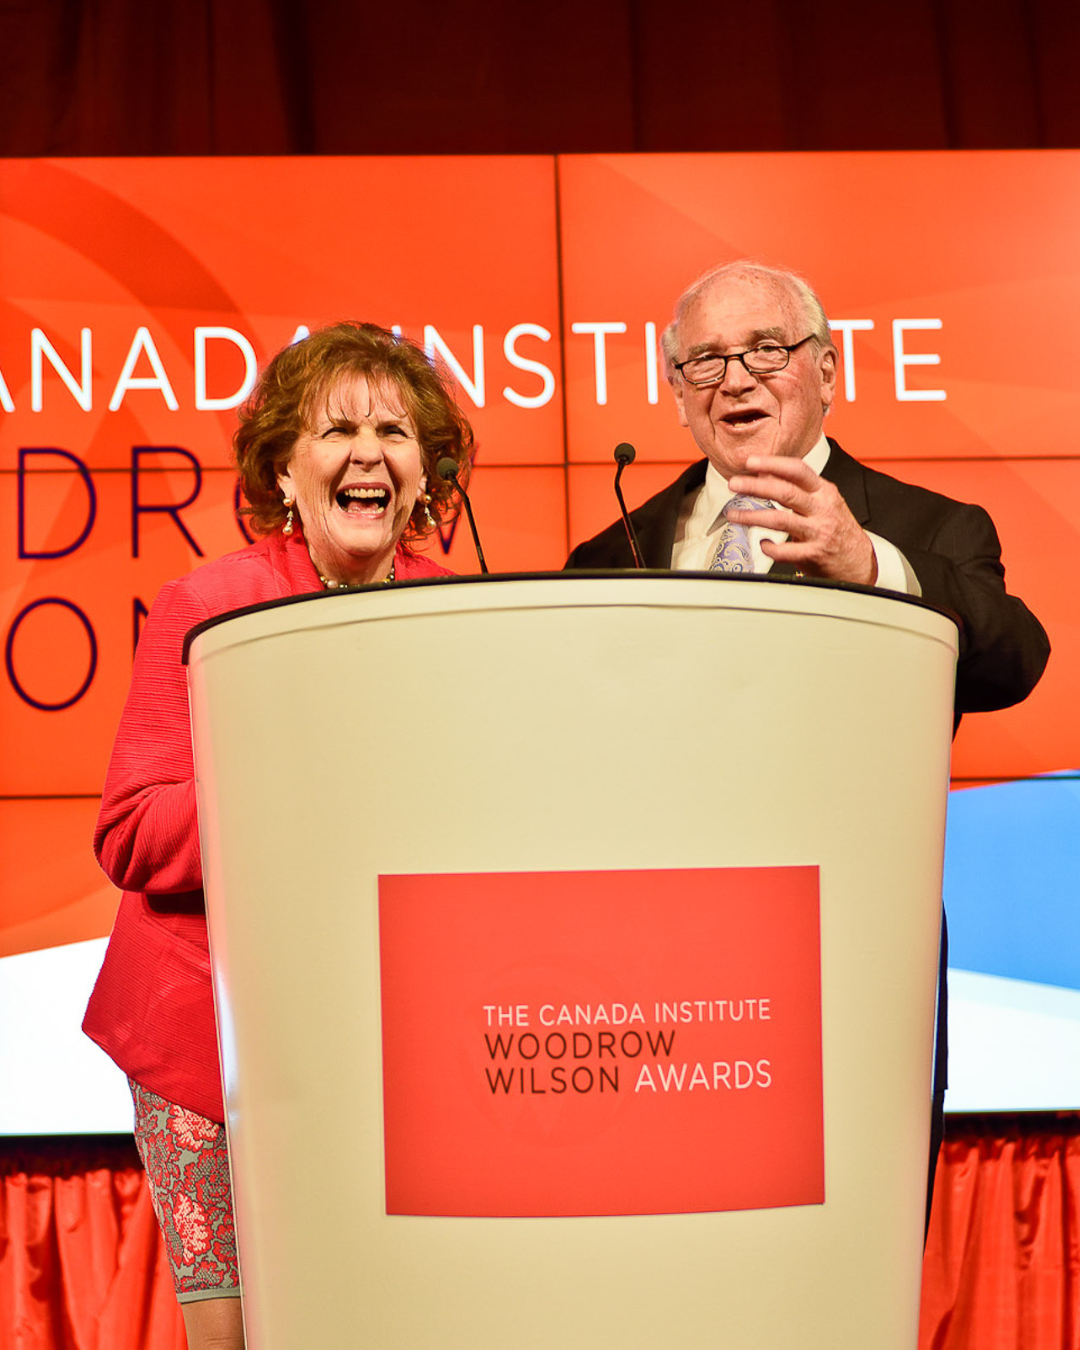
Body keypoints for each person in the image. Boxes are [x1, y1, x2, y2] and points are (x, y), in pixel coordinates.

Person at [565, 260, 1050, 1224]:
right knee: (676, 1222)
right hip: (663, 953)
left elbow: (1014, 660)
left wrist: (867, 564)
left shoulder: (927, 527)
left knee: (855, 1233)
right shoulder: (607, 554)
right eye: (705, 359)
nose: (735, 379)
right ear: (675, 391)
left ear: (827, 370)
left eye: (766, 351)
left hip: (856, 947)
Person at [83, 321, 474, 1350]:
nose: (367, 452)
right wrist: (292, 800)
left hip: (391, 1033)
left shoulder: (458, 612)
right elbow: (130, 832)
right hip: (208, 1038)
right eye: (337, 428)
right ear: (286, 473)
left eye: (393, 430)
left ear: (423, 474)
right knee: (238, 1334)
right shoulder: (209, 605)